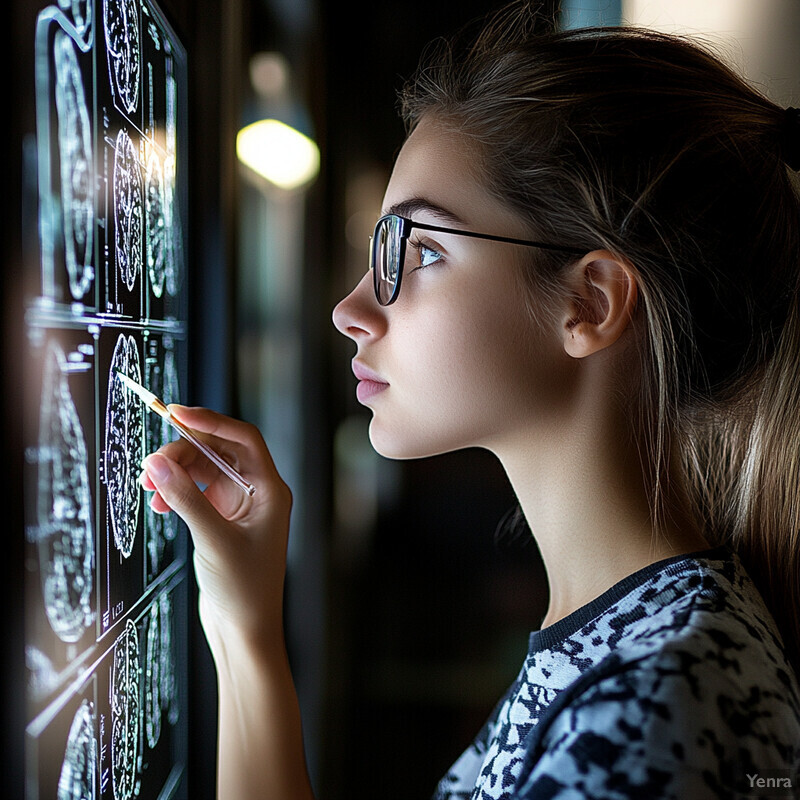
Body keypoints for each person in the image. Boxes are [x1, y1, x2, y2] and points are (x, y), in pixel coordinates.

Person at [140, 2, 800, 797]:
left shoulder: (646, 709)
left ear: (588, 303)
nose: (350, 310)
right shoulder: (638, 638)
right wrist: (244, 629)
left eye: (418, 251)